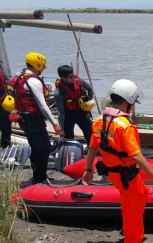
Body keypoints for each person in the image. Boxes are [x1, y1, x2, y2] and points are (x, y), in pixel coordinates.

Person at [82, 79, 153, 243]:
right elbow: (135, 154)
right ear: (127, 102)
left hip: (112, 173)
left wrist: (88, 170)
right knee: (132, 209)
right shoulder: (126, 127)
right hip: (126, 175)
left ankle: (129, 231)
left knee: (139, 196)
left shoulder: (100, 121)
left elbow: (93, 148)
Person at [8, 52, 64, 184]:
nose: (43, 68)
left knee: (36, 147)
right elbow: (43, 106)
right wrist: (55, 124)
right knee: (43, 148)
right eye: (43, 66)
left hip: (23, 119)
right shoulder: (33, 81)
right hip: (33, 119)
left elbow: (10, 92)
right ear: (37, 65)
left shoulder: (19, 76)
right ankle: (40, 178)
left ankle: (37, 176)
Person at [54, 65, 94, 144]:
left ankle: (93, 152)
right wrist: (61, 128)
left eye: (73, 75)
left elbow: (90, 89)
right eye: (70, 77)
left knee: (90, 133)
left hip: (81, 111)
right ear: (63, 78)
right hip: (68, 114)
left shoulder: (80, 82)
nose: (73, 77)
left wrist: (88, 103)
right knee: (68, 137)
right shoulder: (58, 92)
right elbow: (60, 111)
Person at [0, 66, 14, 148]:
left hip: (3, 103)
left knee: (6, 128)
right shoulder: (1, 71)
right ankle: (6, 148)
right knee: (6, 129)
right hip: (2, 105)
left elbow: (6, 84)